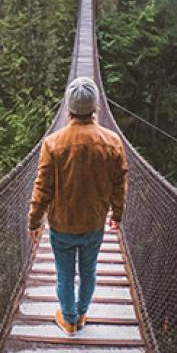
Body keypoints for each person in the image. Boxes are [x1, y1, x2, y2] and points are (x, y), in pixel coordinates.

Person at [27, 76, 128, 335]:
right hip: (94, 223)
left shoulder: (52, 143)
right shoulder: (113, 142)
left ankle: (69, 320)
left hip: (62, 225)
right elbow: (120, 183)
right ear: (96, 107)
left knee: (64, 274)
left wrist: (34, 221)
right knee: (88, 271)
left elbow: (42, 188)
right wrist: (117, 213)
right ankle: (82, 313)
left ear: (68, 107)